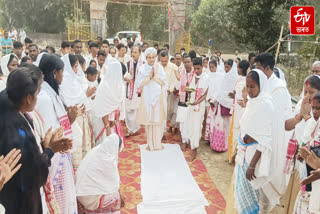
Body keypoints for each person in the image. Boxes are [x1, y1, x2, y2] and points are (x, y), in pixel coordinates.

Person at [0, 67, 72, 213]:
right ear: (28, 97)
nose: (38, 97)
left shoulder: (8, 105)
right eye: (37, 92)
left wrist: (43, 146)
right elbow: (34, 175)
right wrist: (50, 150)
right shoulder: (18, 133)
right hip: (22, 203)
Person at [36, 54, 78, 213]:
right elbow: (48, 132)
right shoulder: (44, 98)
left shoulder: (51, 93)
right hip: (54, 158)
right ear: (54, 73)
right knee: (60, 200)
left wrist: (70, 120)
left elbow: (58, 125)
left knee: (66, 198)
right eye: (62, 72)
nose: (63, 75)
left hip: (60, 154)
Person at [254, 53, 293, 212]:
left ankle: (264, 209)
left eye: (258, 69)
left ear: (267, 68)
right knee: (258, 178)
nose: (256, 72)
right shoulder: (265, 84)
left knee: (266, 177)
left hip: (272, 140)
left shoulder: (278, 89)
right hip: (260, 139)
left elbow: (275, 121)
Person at [234, 69, 274, 214]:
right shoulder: (252, 102)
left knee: (252, 198)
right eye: (248, 86)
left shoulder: (266, 105)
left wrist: (251, 165)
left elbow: (265, 139)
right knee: (241, 195)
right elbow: (246, 128)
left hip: (254, 158)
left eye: (253, 87)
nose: (249, 90)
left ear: (261, 86)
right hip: (244, 153)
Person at [76, 134, 124, 214]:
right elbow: (115, 184)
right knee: (116, 195)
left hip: (79, 195)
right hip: (90, 199)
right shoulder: (109, 159)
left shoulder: (95, 150)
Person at [293, 91, 320, 213]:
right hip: (311, 184)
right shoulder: (315, 125)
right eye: (313, 108)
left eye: (318, 108)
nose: (314, 112)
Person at [136, 47, 167, 151]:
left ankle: (157, 144)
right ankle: (150, 144)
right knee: (149, 122)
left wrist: (155, 77)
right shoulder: (142, 68)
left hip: (157, 97)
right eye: (149, 57)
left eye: (153, 57)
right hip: (147, 98)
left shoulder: (159, 68)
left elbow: (163, 82)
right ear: (146, 58)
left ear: (156, 57)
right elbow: (139, 84)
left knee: (157, 122)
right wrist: (149, 77)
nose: (151, 59)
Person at [91, 61, 125, 145]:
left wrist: (116, 120)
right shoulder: (104, 86)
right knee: (104, 146)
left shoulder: (120, 85)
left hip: (114, 121)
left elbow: (119, 105)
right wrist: (107, 128)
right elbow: (102, 109)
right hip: (103, 123)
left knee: (115, 146)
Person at [184, 57, 209, 161]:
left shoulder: (206, 78)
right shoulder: (191, 75)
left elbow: (205, 95)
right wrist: (189, 97)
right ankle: (191, 146)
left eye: (199, 68)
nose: (197, 71)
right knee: (189, 125)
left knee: (196, 128)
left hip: (199, 107)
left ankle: (194, 151)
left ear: (202, 67)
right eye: (195, 68)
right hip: (191, 105)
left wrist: (196, 102)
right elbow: (187, 88)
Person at [210, 59, 238, 152]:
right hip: (221, 103)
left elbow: (235, 92)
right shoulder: (224, 76)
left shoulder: (235, 77)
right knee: (221, 125)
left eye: (228, 67)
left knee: (228, 126)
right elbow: (220, 89)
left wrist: (232, 96)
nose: (226, 69)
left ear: (232, 67)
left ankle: (227, 145)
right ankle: (220, 145)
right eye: (225, 67)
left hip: (229, 104)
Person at [228, 60, 250, 163]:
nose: (237, 70)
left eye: (239, 68)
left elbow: (244, 97)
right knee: (234, 131)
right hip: (236, 109)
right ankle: (232, 154)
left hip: (241, 110)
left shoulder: (246, 81)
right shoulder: (240, 79)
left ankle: (236, 155)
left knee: (238, 131)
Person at [159, 51, 180, 134]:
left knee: (172, 110)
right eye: (162, 61)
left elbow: (174, 79)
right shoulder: (157, 66)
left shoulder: (173, 67)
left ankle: (173, 126)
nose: (163, 63)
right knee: (162, 112)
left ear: (168, 59)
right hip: (159, 93)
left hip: (170, 93)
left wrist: (169, 90)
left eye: (165, 61)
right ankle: (162, 131)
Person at [204, 60, 225, 142]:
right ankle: (209, 137)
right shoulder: (208, 77)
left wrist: (214, 100)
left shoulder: (220, 77)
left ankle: (215, 139)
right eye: (210, 67)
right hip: (210, 101)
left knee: (216, 121)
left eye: (213, 67)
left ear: (217, 67)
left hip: (217, 102)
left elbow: (219, 90)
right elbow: (207, 89)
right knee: (209, 120)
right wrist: (209, 99)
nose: (211, 69)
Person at [125, 46, 143, 136]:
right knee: (129, 110)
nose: (134, 54)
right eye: (132, 52)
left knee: (137, 109)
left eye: (136, 52)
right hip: (129, 90)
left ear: (139, 53)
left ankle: (135, 128)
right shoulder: (128, 63)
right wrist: (129, 76)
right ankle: (129, 128)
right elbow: (124, 76)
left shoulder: (143, 64)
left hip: (139, 91)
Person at [176, 55, 193, 148]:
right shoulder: (182, 73)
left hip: (191, 101)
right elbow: (178, 86)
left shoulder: (195, 73)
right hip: (182, 100)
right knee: (182, 121)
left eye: (188, 62)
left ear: (191, 62)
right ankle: (184, 140)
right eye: (185, 62)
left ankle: (189, 139)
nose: (186, 64)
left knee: (190, 121)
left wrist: (189, 87)